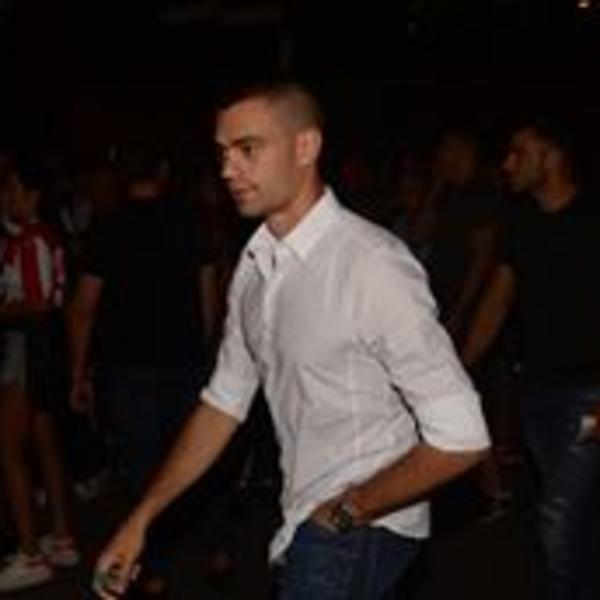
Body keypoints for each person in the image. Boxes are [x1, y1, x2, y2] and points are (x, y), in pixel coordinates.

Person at [93, 80, 490, 600]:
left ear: (306, 146)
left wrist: (348, 510)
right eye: (223, 153)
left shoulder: (371, 264)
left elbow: (462, 438)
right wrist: (141, 517)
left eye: (248, 149)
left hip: (361, 525)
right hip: (306, 516)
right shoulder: (255, 267)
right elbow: (222, 404)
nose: (228, 169)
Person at [68, 142, 217, 596]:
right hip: (182, 359)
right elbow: (208, 291)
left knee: (143, 467)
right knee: (194, 457)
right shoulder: (189, 219)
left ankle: (153, 568)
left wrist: (77, 372)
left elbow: (83, 308)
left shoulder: (107, 225)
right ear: (163, 169)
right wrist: (206, 346)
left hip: (129, 366)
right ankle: (215, 549)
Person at [462, 118, 600, 600]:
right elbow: (497, 302)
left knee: (557, 516)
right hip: (538, 394)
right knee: (577, 516)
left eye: (519, 152)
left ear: (551, 155)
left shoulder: (593, 219)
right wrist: (459, 368)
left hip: (591, 398)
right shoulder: (520, 224)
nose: (507, 163)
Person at [0, 164, 79, 593]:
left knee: (9, 448)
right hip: (41, 349)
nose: (5, 197)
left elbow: (37, 303)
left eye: (12, 189)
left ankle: (29, 553)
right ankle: (60, 538)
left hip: (27, 349)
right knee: (44, 443)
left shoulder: (31, 240)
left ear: (32, 195)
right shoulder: (39, 236)